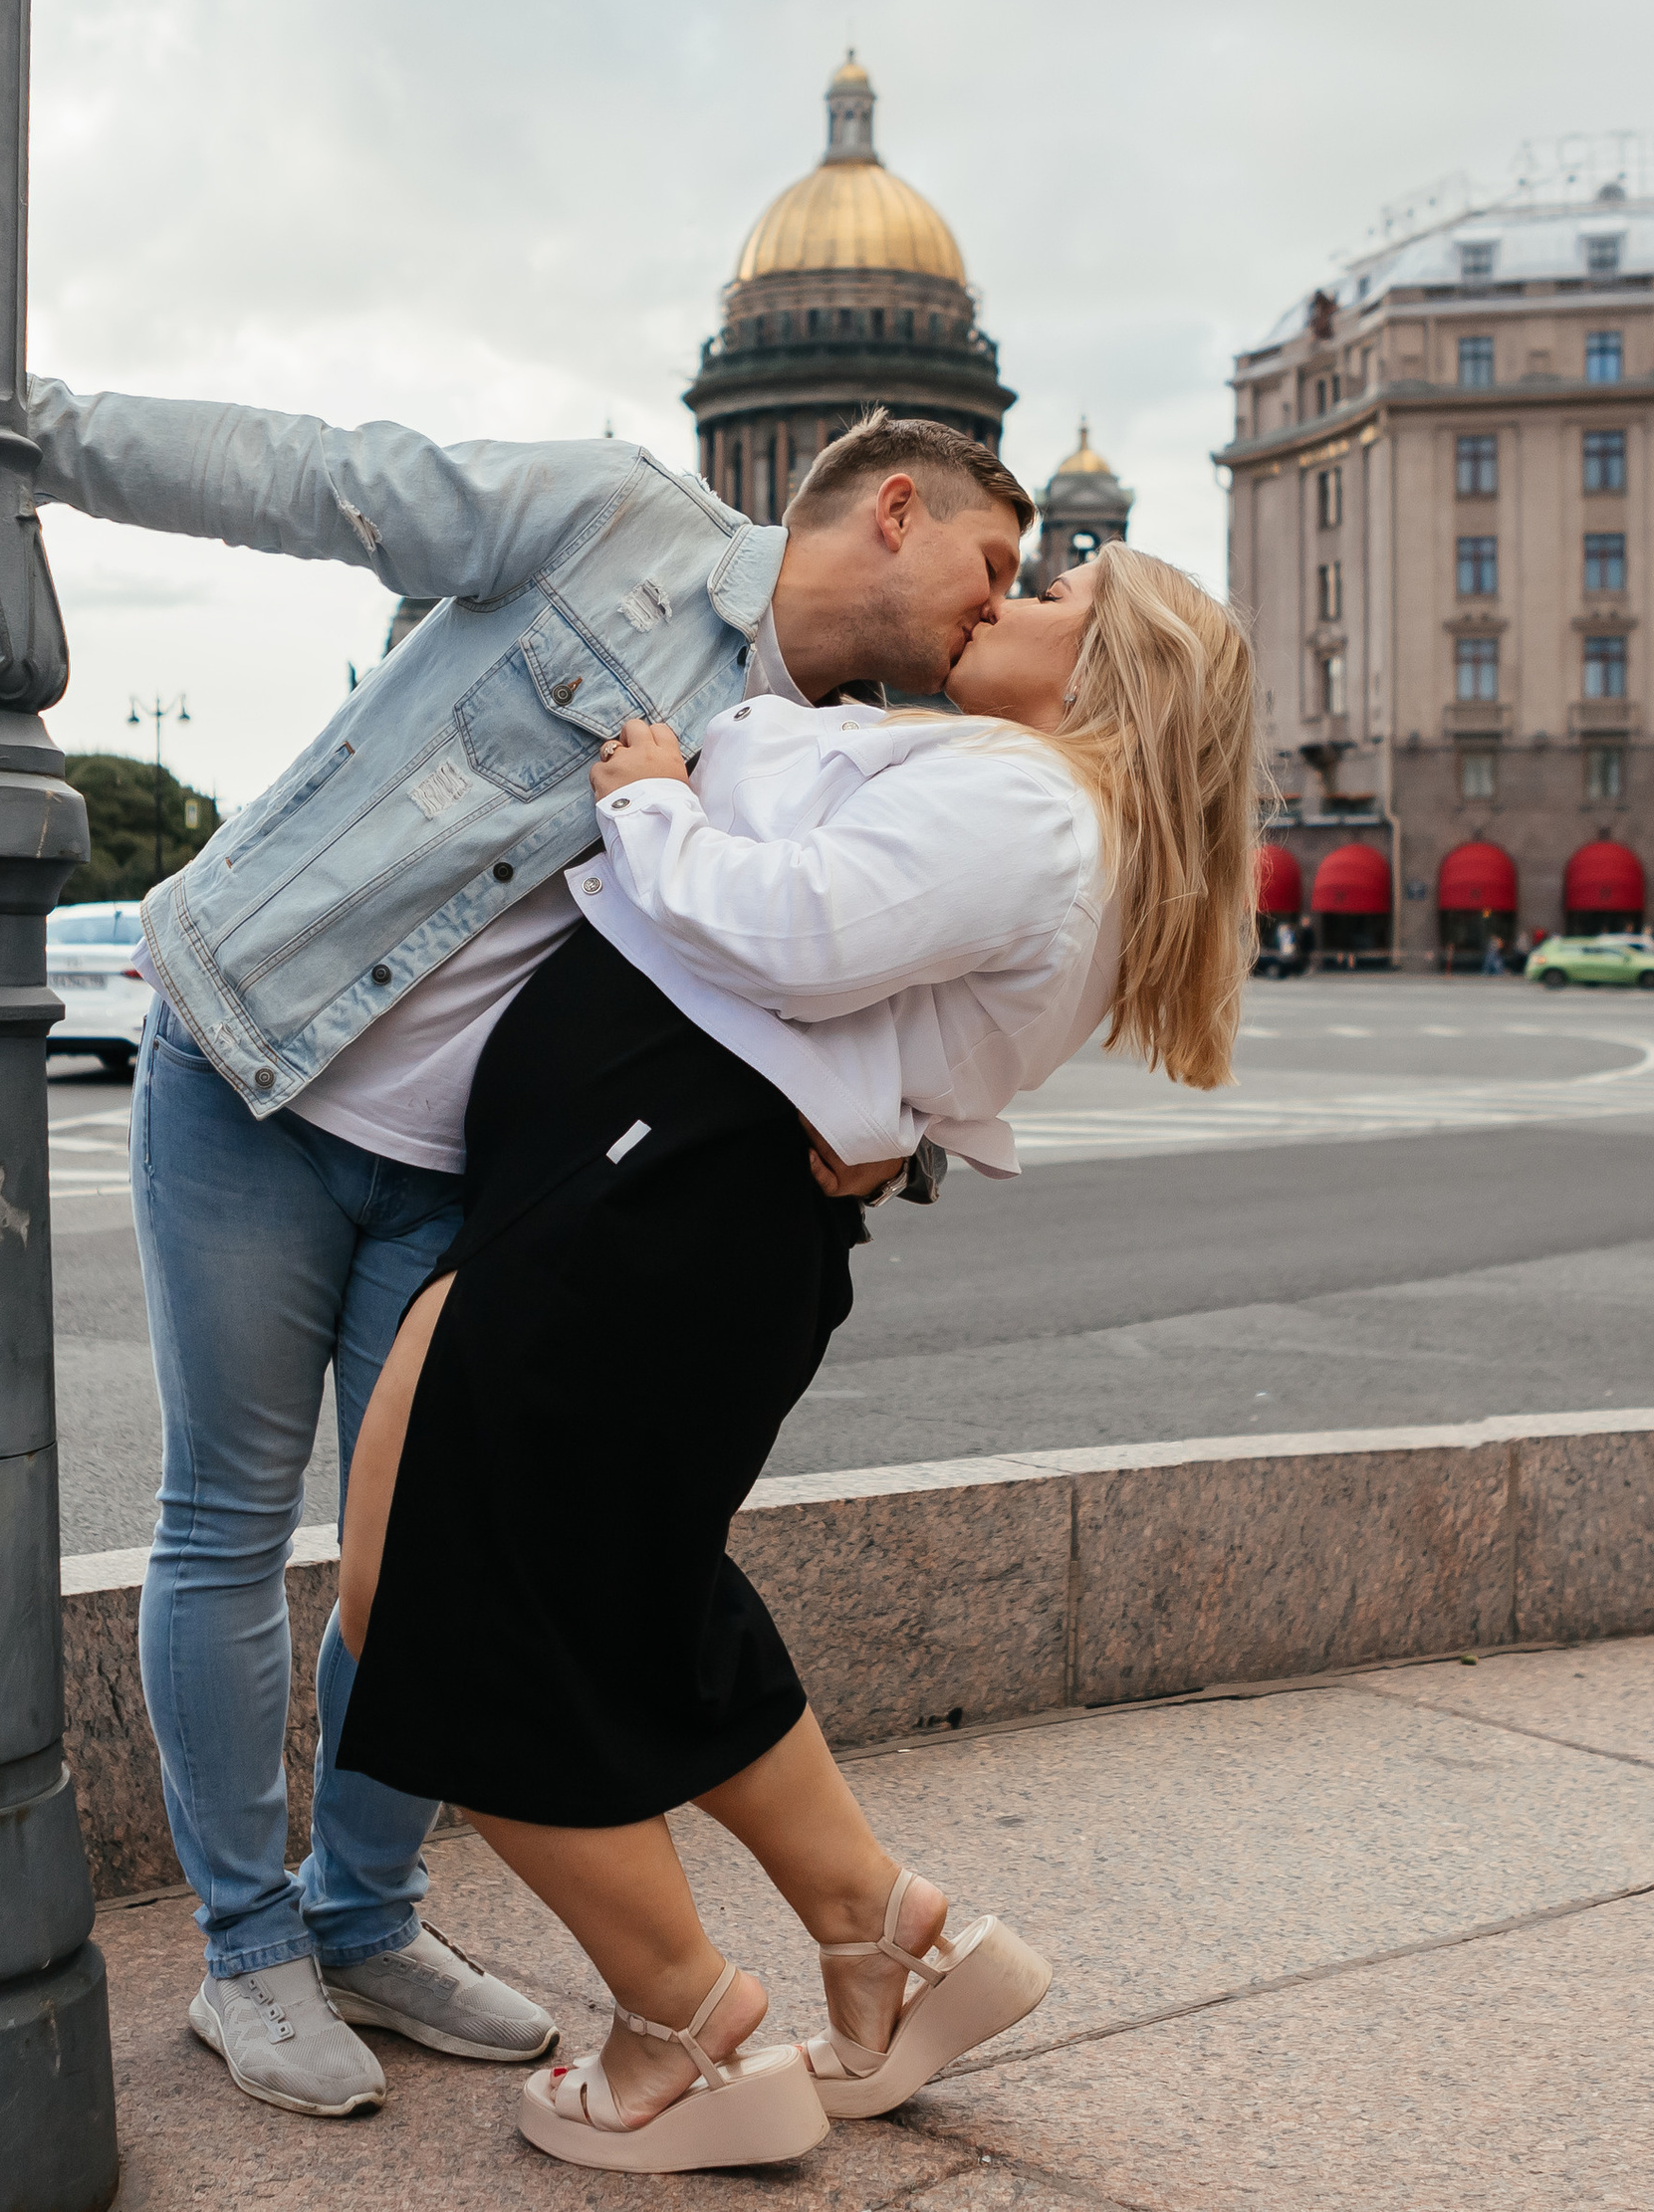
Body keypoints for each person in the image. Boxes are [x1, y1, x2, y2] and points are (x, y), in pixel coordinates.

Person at [0, 335, 1031, 2115]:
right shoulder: (618, 519)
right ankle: (248, 1955)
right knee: (227, 1524)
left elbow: (863, 970)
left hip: (478, 1172)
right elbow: (327, 477)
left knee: (427, 1551)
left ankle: (367, 1912)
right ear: (900, 506)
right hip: (251, 1063)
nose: (995, 616)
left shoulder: (844, 754)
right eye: (994, 569)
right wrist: (31, 424)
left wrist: (899, 1146)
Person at [334, 544, 1262, 2172]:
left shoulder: (1034, 805)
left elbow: (803, 933)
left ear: (1113, 668)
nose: (1009, 600)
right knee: (620, 1593)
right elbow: (911, 1034)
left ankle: (684, 2033)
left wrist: (651, 793)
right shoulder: (1055, 820)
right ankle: (882, 1936)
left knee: (436, 1609)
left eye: (1054, 596)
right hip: (654, 1199)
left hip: (651, 1201)